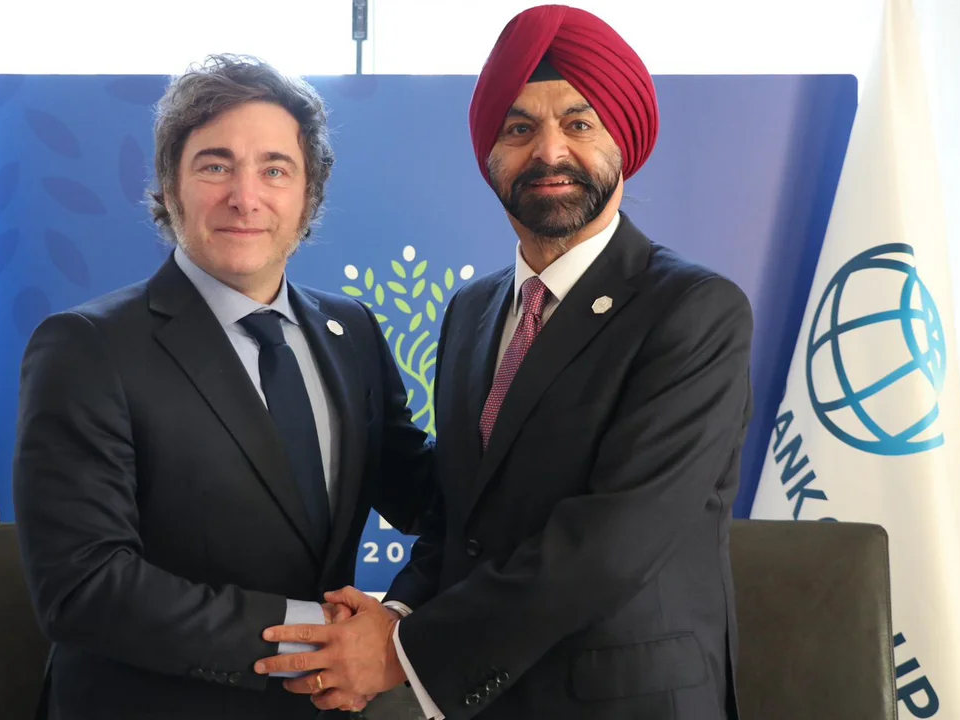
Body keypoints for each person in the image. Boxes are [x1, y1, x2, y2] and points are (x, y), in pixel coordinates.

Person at [255, 5, 753, 719]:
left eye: (579, 124)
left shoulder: (692, 309)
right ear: (489, 156)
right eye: (519, 129)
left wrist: (400, 651)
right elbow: (463, 513)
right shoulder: (473, 310)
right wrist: (396, 613)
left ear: (624, 141)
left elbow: (610, 545)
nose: (549, 152)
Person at [12, 53, 433, 720]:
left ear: (308, 196)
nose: (245, 196)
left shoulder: (350, 330)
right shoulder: (87, 348)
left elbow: (424, 495)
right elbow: (84, 587)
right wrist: (319, 633)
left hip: (325, 708)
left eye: (275, 169)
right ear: (169, 187)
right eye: (215, 166)